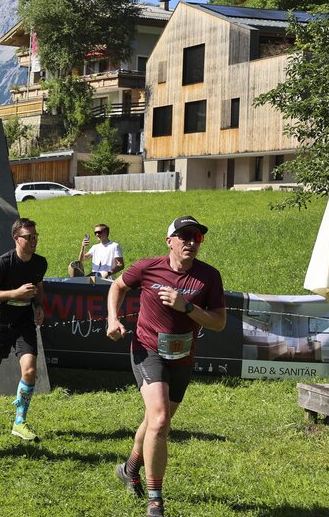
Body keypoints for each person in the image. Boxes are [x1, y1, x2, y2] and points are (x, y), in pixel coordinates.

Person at [106, 216, 226, 517]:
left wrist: (186, 306)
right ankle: (155, 501)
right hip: (147, 349)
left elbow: (219, 323)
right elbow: (117, 286)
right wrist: (113, 319)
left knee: (156, 422)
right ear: (169, 240)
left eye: (196, 237)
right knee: (159, 420)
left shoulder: (208, 277)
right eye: (184, 236)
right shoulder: (148, 267)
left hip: (182, 356)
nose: (190, 242)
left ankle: (130, 469)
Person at [0, 218, 47, 440]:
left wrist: (39, 306)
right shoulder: (3, 262)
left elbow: (39, 287)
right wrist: (15, 293)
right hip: (1, 324)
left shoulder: (40, 263)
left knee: (30, 370)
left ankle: (20, 422)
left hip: (24, 324)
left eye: (35, 236)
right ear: (16, 238)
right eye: (29, 237)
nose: (33, 240)